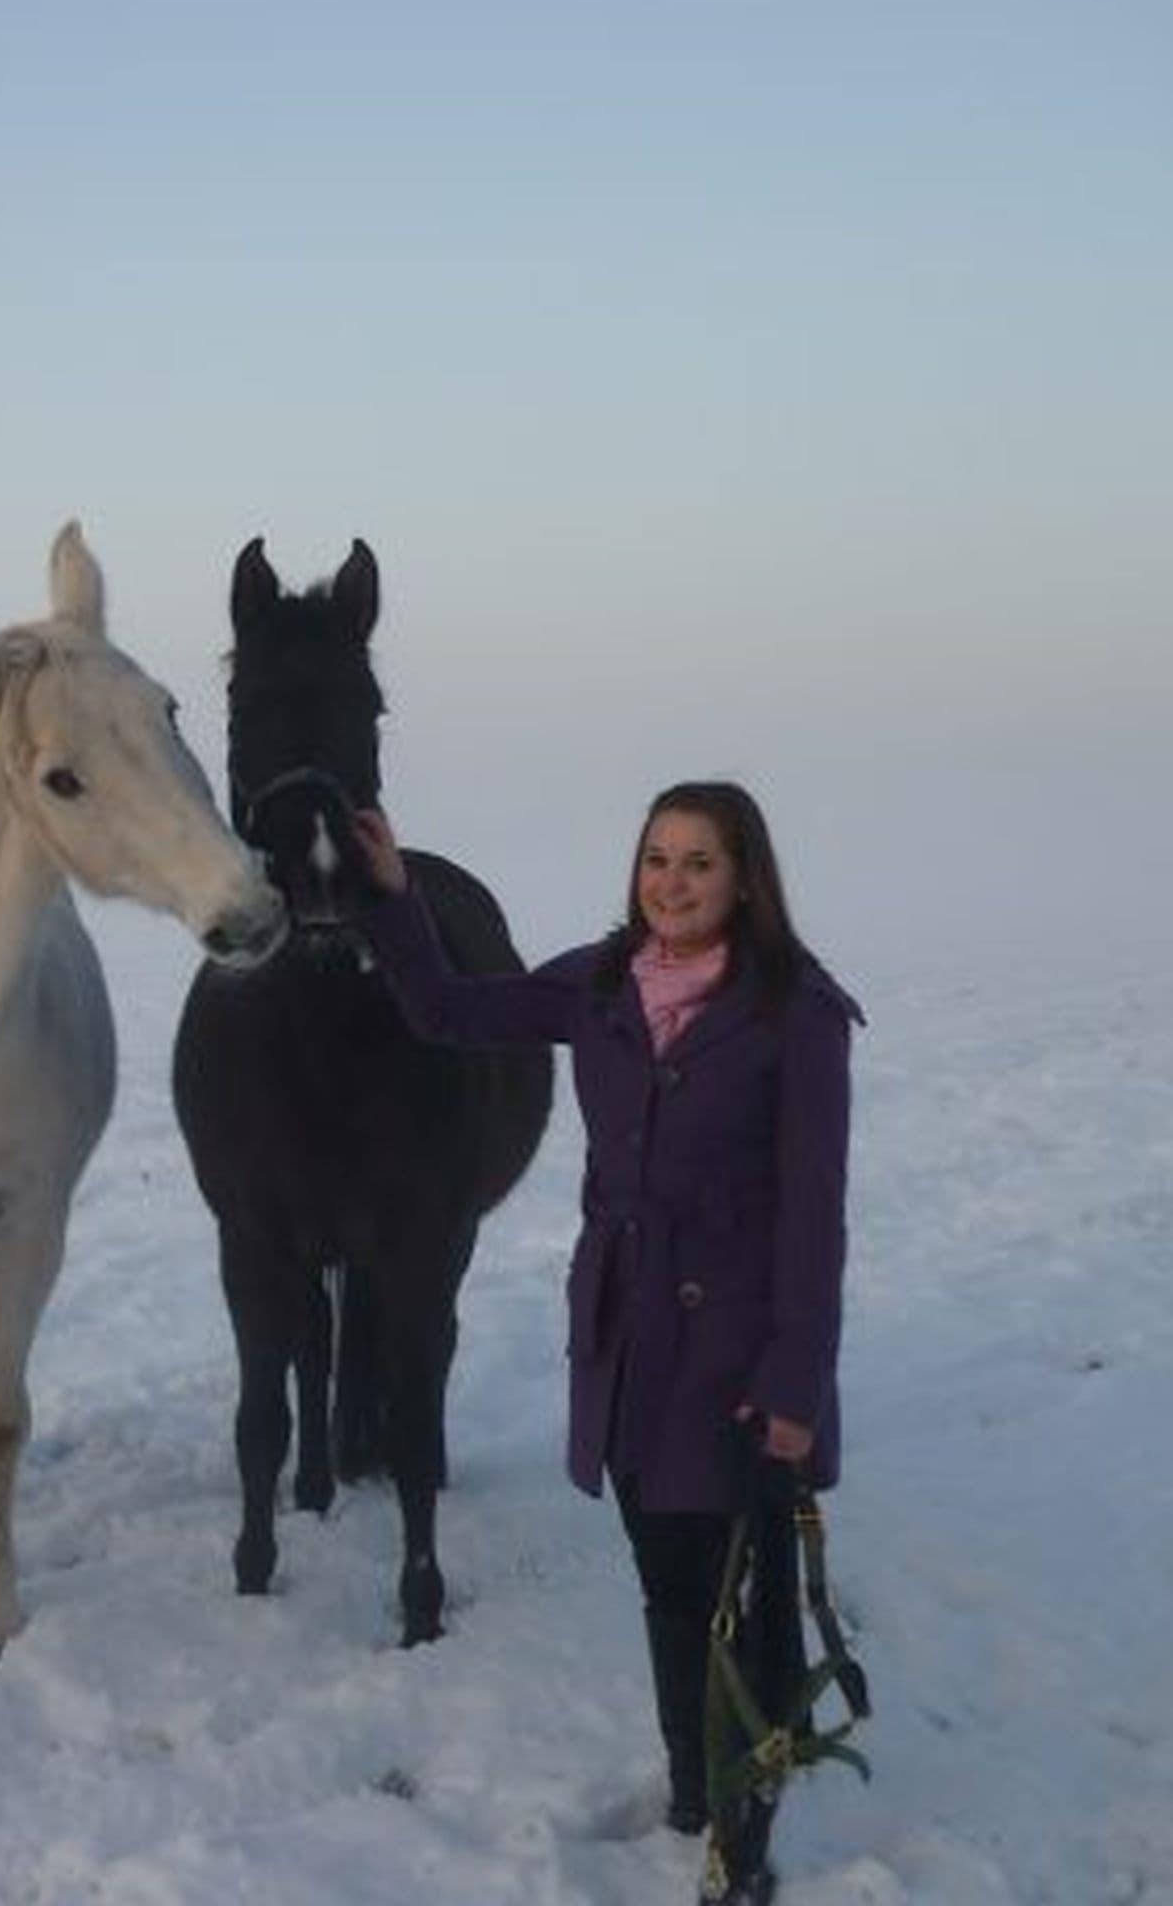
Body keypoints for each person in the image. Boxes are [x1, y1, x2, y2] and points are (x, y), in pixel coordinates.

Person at [350, 782, 861, 1906]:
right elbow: (448, 1010)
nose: (671, 883)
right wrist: (393, 898)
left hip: (736, 1346)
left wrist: (793, 1383)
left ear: (744, 879)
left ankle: (743, 1825)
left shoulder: (795, 1010)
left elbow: (814, 1216)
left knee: (744, 1594)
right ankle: (695, 1782)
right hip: (627, 1334)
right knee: (667, 1581)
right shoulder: (600, 980)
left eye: (699, 864)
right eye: (657, 859)